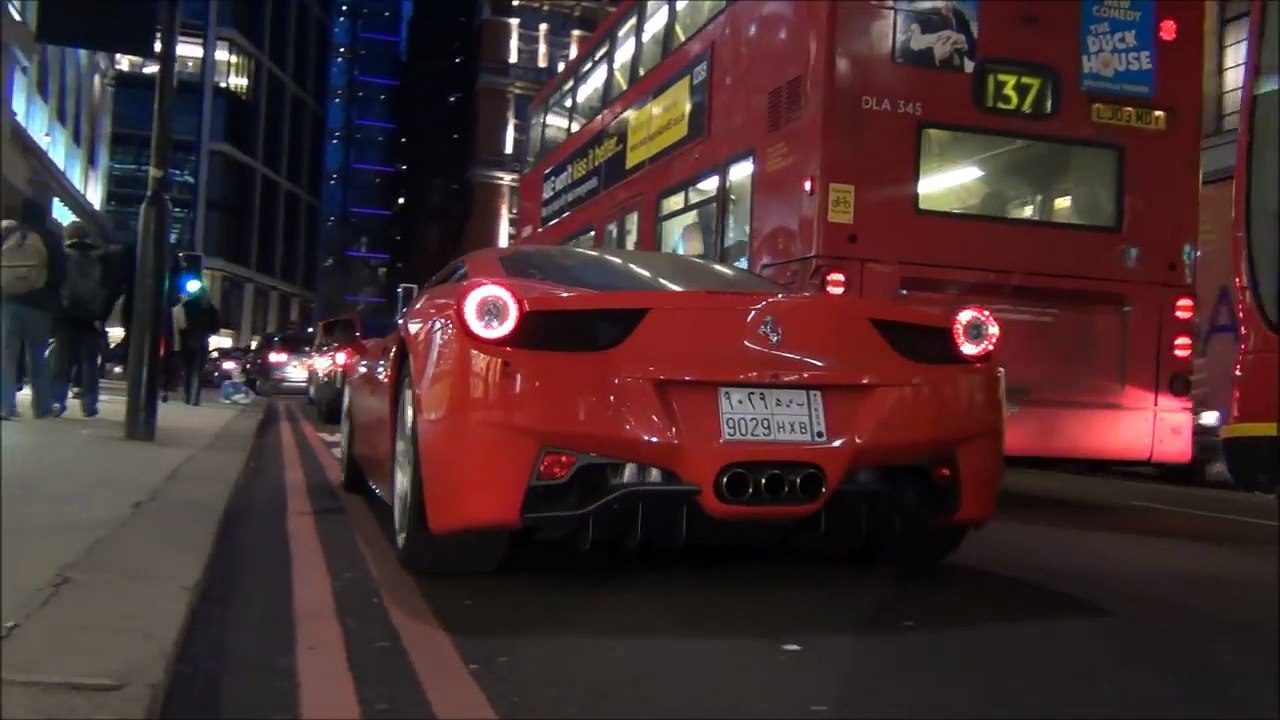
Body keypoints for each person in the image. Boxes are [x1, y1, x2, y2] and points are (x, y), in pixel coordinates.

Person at [1, 199, 67, 420]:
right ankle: (42, 406)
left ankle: (5, 405)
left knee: (7, 355)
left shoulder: (9, 235)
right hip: (40, 304)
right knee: (38, 356)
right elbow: (60, 274)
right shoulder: (50, 239)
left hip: (10, 301)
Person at [50, 221, 114, 418]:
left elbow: (56, 284)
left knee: (61, 363)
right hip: (90, 318)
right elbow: (107, 289)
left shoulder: (62, 256)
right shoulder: (100, 258)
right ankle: (89, 403)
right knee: (89, 363)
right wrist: (100, 315)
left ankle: (57, 401)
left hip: (66, 316)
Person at [173, 291, 220, 406]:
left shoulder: (187, 305)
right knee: (198, 371)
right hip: (202, 340)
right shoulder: (210, 308)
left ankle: (188, 395)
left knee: (188, 370)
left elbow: (181, 323)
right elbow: (215, 327)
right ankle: (196, 397)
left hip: (187, 340)